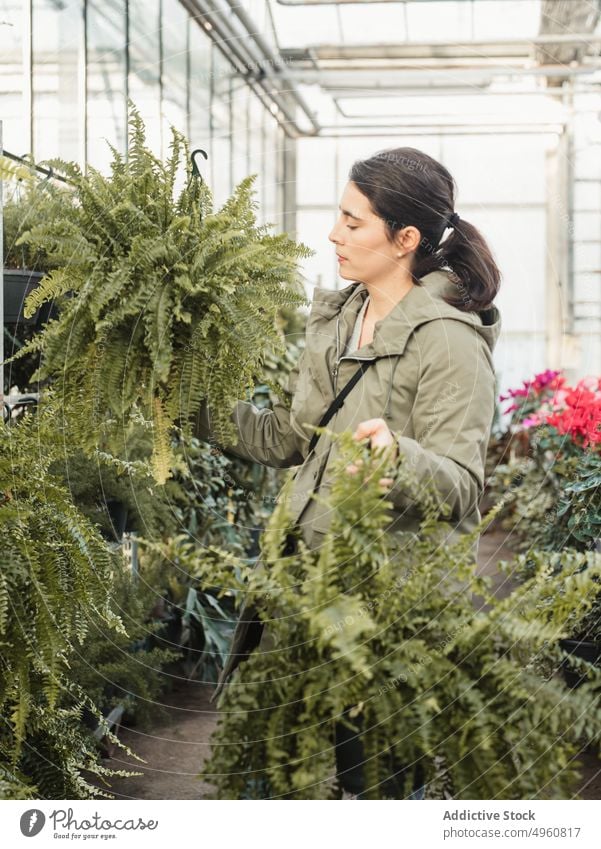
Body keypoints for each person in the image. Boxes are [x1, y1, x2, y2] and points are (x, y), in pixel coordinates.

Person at [194, 146, 502, 798]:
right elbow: (289, 435)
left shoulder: (447, 340)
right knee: (288, 770)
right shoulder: (340, 317)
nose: (333, 233)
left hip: (385, 613)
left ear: (404, 239)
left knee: (377, 784)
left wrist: (402, 455)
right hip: (304, 590)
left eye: (352, 221)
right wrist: (185, 401)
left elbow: (462, 484)